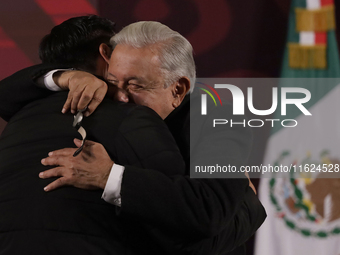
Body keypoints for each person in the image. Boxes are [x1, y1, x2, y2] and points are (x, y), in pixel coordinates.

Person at [0, 19, 266, 254]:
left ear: (178, 89)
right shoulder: (113, 114)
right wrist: (68, 77)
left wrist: (108, 176)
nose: (121, 98)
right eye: (113, 82)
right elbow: (7, 95)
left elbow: (202, 222)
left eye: (135, 86)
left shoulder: (221, 121)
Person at [0, 16, 187, 254]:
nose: (123, 95)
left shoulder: (19, 119)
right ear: (107, 53)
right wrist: (245, 205)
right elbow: (181, 218)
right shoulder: (133, 117)